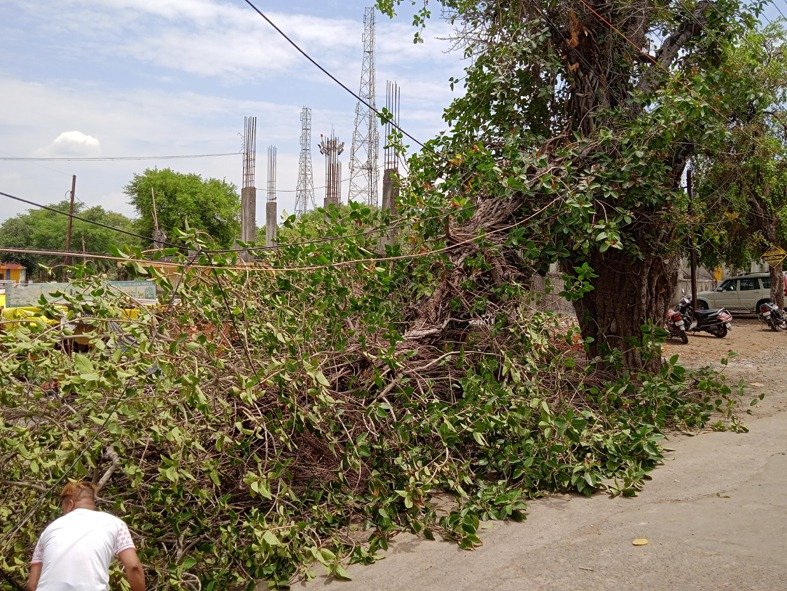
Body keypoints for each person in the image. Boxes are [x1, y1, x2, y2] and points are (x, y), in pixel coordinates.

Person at [27, 481, 145, 591]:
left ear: (70, 504)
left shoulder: (48, 530)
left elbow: (33, 584)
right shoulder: (116, 524)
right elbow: (133, 566)